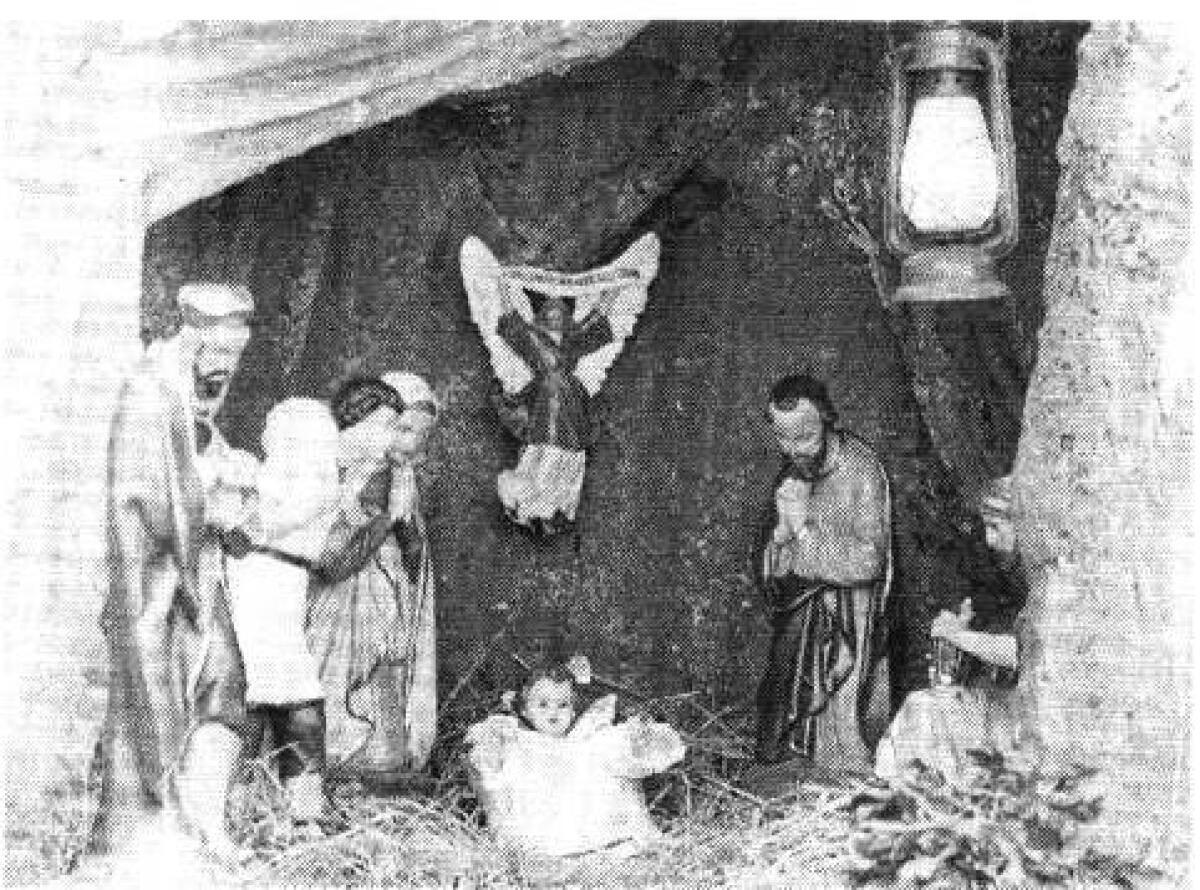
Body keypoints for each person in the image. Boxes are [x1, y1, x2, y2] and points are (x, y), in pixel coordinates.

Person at [91, 282, 255, 864]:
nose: (222, 369)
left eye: (233, 357)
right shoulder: (150, 392)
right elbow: (149, 499)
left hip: (197, 574)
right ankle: (154, 840)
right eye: (216, 353)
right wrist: (213, 506)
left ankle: (202, 824)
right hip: (154, 584)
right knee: (154, 699)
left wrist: (236, 510)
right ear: (192, 337)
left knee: (224, 684)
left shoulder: (187, 400)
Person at [753, 374, 892, 771]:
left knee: (837, 713)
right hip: (801, 610)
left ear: (828, 421)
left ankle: (834, 764)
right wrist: (780, 538)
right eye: (783, 439)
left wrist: (803, 533)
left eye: (804, 438)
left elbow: (871, 560)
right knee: (782, 682)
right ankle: (786, 761)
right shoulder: (791, 474)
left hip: (851, 615)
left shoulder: (862, 470)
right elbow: (773, 568)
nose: (793, 450)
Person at [306, 372, 440, 781]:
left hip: (382, 585)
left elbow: (413, 549)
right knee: (333, 662)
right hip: (341, 586)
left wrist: (405, 534)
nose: (409, 442)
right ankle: (327, 756)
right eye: (400, 428)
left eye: (420, 434)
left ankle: (372, 759)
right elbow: (329, 549)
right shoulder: (339, 469)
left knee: (378, 663)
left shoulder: (400, 479)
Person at [218, 398, 341, 822]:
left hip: (273, 586)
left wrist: (233, 503)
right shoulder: (274, 477)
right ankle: (233, 806)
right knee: (253, 692)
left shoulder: (315, 486)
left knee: (290, 695)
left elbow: (255, 527)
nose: (269, 441)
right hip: (251, 584)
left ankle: (301, 807)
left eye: (280, 433)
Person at [875, 477, 1023, 784]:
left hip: (1028, 714)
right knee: (925, 706)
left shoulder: (1043, 576)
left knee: (934, 710)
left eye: (997, 527)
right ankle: (906, 787)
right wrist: (963, 630)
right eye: (987, 527)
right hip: (999, 699)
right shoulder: (1001, 572)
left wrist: (960, 637)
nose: (990, 540)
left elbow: (1022, 652)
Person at [464, 656, 685, 858]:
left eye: (563, 705)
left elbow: (617, 742)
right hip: (538, 823)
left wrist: (635, 735)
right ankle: (549, 847)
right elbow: (488, 770)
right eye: (542, 705)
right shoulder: (517, 739)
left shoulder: (586, 738)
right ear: (525, 710)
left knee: (600, 752)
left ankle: (603, 840)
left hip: (582, 818)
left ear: (572, 710)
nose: (553, 712)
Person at [492, 288, 619, 533]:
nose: (555, 316)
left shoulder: (574, 339)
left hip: (571, 404)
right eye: (549, 311)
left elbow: (598, 318)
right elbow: (510, 319)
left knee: (568, 452)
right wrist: (503, 286)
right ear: (541, 314)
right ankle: (530, 508)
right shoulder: (532, 339)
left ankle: (552, 511)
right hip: (544, 403)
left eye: (560, 312)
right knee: (545, 450)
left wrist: (613, 286)